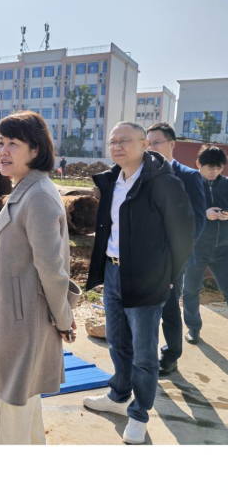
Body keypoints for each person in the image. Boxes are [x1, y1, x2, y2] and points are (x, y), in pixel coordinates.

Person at [83, 122, 195, 444]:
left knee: (145, 353)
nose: (117, 146)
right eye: (112, 141)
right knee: (117, 342)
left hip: (147, 277)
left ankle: (139, 414)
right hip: (113, 272)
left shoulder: (163, 183)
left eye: (124, 141)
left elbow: (184, 235)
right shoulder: (111, 181)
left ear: (144, 144)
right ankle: (118, 396)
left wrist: (169, 277)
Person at [0, 111, 77, 445]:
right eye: (0, 142)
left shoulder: (38, 196)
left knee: (11, 406)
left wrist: (64, 319)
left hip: (22, 319)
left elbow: (52, 268)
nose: (3, 151)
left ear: (36, 150)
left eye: (13, 144)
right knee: (24, 401)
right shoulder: (28, 189)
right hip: (18, 314)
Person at [146, 122, 206, 375]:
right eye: (147, 143)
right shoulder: (141, 174)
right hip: (144, 255)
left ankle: (171, 355)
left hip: (173, 258)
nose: (151, 148)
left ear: (171, 144)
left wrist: (178, 257)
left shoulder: (189, 176)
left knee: (169, 308)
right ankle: (143, 355)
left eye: (156, 142)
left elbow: (198, 221)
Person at [182, 146, 228, 344]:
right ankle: (193, 328)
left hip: (224, 249)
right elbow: (179, 211)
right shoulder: (188, 184)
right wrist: (204, 213)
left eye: (219, 168)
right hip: (197, 248)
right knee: (191, 289)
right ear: (198, 164)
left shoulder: (226, 184)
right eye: (210, 167)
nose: (214, 172)